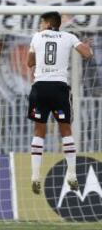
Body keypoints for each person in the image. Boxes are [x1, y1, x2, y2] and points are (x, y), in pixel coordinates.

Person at [27, 11, 93, 194]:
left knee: (39, 131)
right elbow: (87, 54)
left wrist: (39, 57)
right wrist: (88, 46)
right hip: (59, 88)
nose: (40, 26)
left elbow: (29, 62)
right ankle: (71, 174)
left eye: (42, 22)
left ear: (48, 24)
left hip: (40, 87)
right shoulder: (69, 36)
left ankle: (34, 176)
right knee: (65, 130)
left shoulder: (37, 36)